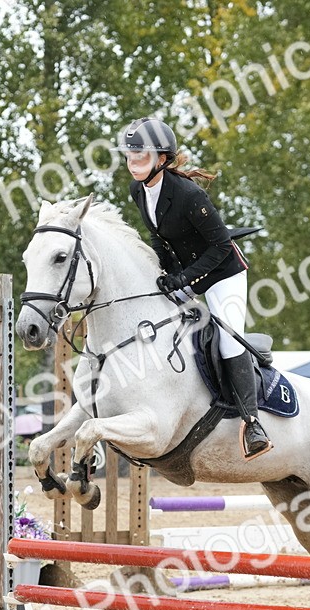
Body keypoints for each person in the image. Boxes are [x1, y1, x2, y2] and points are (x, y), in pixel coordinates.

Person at [115, 117, 271, 460]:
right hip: (186, 271)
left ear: (162, 159)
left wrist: (184, 280)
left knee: (229, 338)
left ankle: (252, 422)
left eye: (141, 157)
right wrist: (162, 272)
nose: (133, 164)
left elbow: (221, 248)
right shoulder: (137, 191)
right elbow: (158, 236)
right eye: (129, 156)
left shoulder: (189, 194)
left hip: (223, 274)